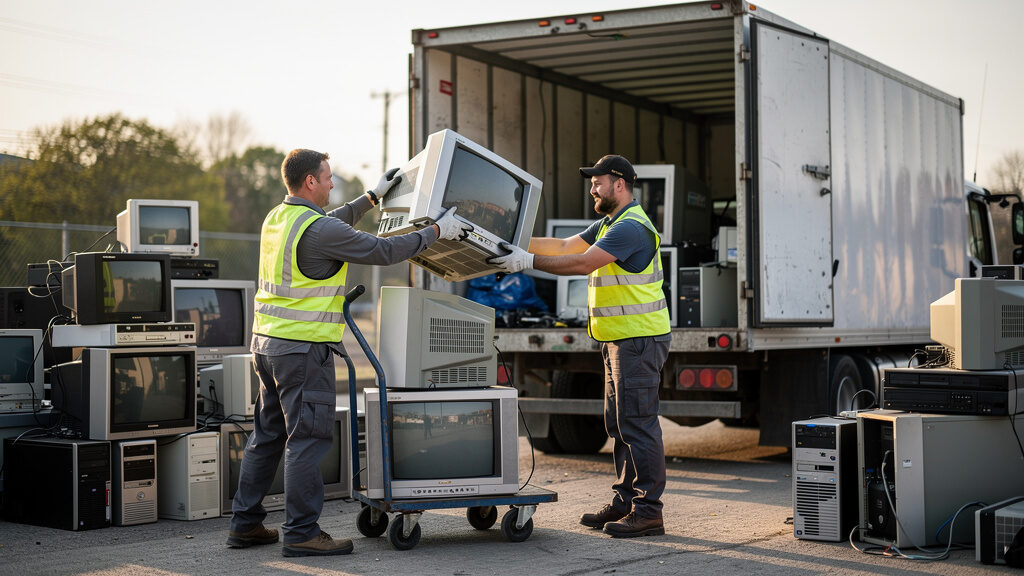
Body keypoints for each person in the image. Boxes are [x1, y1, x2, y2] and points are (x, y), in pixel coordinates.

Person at [226, 149, 472, 557]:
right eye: (327, 177)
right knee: (307, 440)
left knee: (268, 436)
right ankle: (302, 533)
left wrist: (372, 198)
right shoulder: (319, 230)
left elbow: (330, 225)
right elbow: (384, 251)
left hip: (266, 347)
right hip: (303, 351)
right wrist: (436, 232)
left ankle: (245, 524)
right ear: (310, 182)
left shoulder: (278, 218)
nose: (332, 182)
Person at [488, 154, 670, 538]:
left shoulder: (631, 227)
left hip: (638, 340)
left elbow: (582, 263)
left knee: (638, 424)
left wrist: (525, 262)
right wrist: (510, 241)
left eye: (598, 182)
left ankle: (649, 510)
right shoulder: (610, 222)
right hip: (617, 340)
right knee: (620, 425)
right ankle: (625, 502)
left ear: (619, 185)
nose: (592, 188)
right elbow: (564, 244)